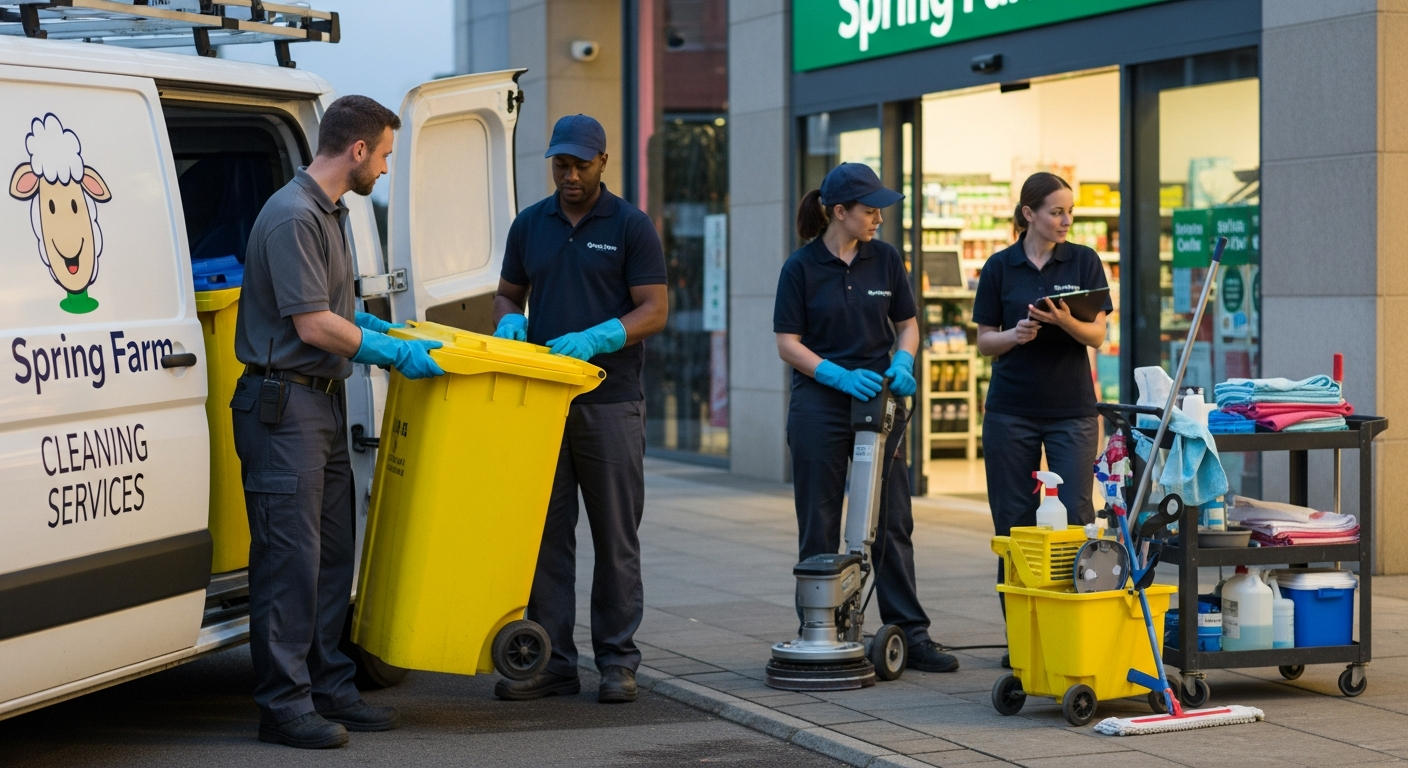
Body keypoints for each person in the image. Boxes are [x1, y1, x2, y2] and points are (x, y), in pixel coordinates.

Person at [232, 95, 446, 749]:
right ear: (357, 150)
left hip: (317, 401)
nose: (384, 169)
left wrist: (384, 327)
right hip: (283, 406)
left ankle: (329, 686)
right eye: (383, 155)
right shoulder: (294, 215)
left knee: (328, 559)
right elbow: (314, 324)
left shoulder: (328, 213)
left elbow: (340, 308)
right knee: (289, 561)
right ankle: (283, 705)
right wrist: (391, 354)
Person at [490, 114, 668, 704]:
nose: (568, 176)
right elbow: (509, 291)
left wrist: (600, 337)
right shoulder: (529, 224)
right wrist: (510, 318)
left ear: (602, 162)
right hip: (543, 404)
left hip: (610, 402)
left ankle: (618, 662)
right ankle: (554, 662)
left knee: (616, 536)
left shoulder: (630, 226)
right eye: (560, 164)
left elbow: (654, 310)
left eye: (579, 165)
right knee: (546, 538)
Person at [772, 162, 958, 674]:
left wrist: (904, 360)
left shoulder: (885, 259)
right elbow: (788, 343)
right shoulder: (802, 267)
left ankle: (911, 635)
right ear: (839, 212)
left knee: (893, 520)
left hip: (878, 403)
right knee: (820, 522)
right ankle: (820, 629)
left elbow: (908, 324)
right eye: (869, 209)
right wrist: (834, 375)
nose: (879, 218)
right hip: (820, 405)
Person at [972, 171, 1111, 666]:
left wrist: (1063, 321)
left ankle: (1075, 631)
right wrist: (1016, 335)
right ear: (1029, 214)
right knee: (1013, 524)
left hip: (1072, 411)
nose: (1065, 220)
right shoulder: (1000, 267)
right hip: (1010, 410)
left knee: (1076, 519)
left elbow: (1096, 336)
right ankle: (1023, 640)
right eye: (1056, 211)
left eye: (1069, 212)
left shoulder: (1085, 260)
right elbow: (985, 340)